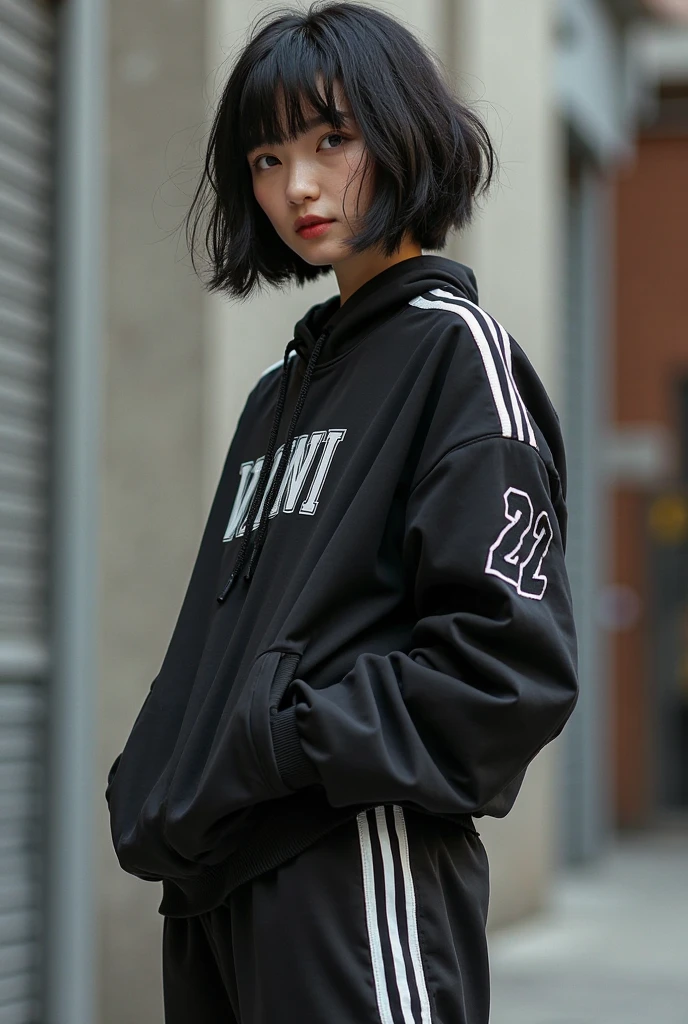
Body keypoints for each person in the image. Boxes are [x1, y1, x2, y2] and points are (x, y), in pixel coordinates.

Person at [105, 3, 579, 1022]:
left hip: (354, 872)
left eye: (332, 139)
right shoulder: (277, 399)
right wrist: (160, 772)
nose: (299, 187)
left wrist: (278, 745)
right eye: (267, 157)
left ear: (402, 130)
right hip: (213, 886)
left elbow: (507, 671)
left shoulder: (458, 359)